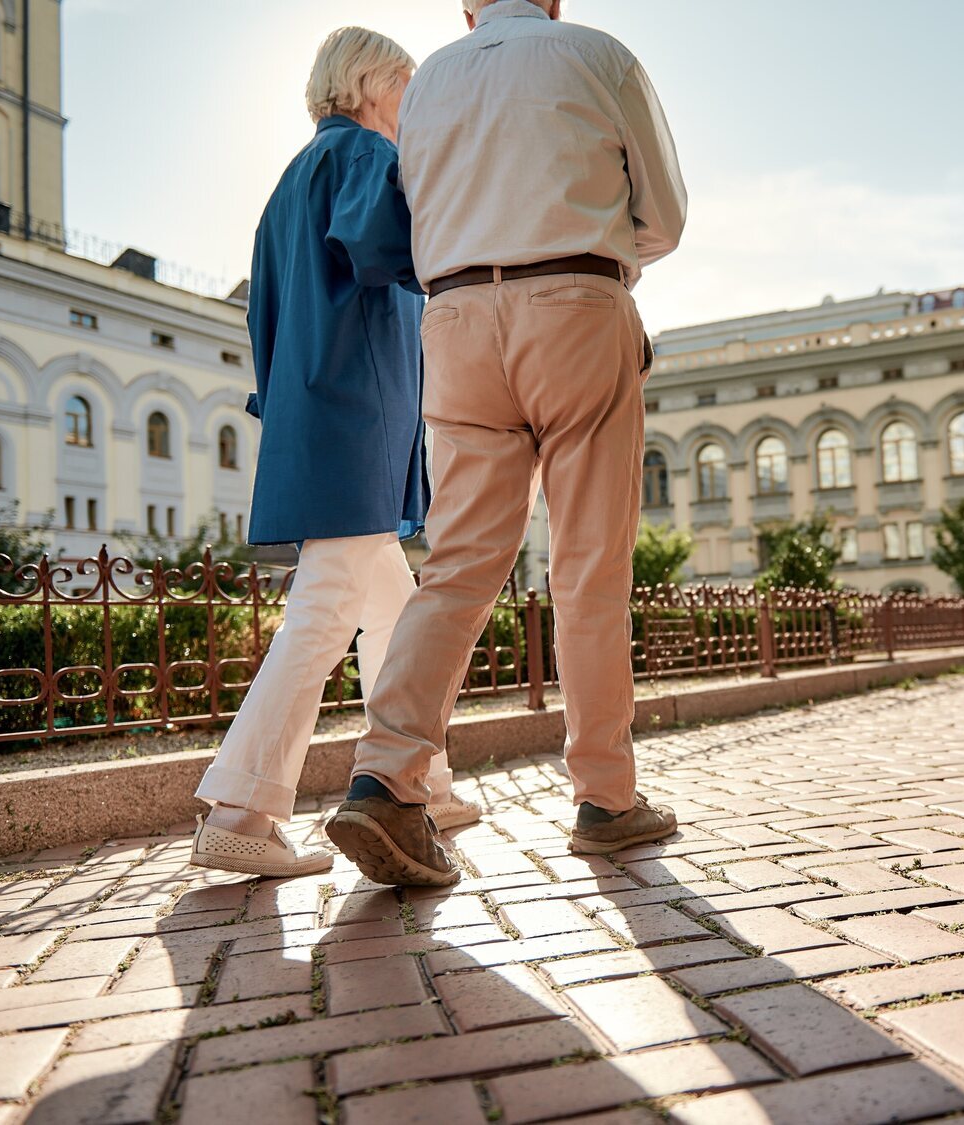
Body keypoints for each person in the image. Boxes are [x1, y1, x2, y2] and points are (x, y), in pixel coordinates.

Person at [325, 0, 687, 885]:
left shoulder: (432, 80)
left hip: (453, 321)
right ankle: (605, 796)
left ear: (466, 5)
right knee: (589, 565)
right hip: (574, 302)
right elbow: (666, 216)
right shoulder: (598, 53)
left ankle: (385, 777)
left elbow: (408, 214)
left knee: (457, 564)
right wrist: (591, 251)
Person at [189, 27, 480, 879]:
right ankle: (241, 807)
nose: (413, 102)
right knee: (323, 614)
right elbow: (397, 251)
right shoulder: (361, 155)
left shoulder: (289, 182)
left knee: (392, 609)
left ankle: (422, 777)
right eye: (406, 84)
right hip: (357, 418)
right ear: (364, 83)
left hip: (319, 417)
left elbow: (265, 321)